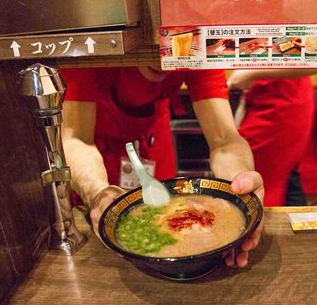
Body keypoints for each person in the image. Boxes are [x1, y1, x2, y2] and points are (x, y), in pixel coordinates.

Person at [60, 66, 263, 267]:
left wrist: (240, 181)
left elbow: (224, 139)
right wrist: (97, 192)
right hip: (96, 154)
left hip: (153, 140)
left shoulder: (194, 43)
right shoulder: (93, 45)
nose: (161, 62)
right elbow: (76, 139)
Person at [228, 69, 317, 206]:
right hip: (266, 96)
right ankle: (296, 223)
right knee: (287, 175)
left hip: (282, 102)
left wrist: (250, 73)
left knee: (263, 177)